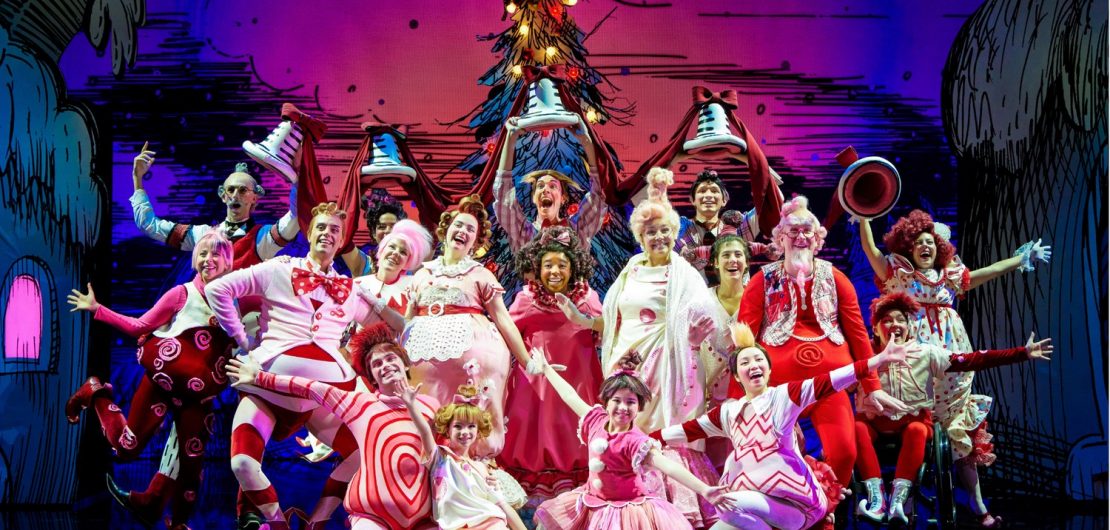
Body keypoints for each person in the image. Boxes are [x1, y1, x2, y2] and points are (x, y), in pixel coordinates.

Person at [206, 202, 404, 530]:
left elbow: (394, 327)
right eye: (321, 227)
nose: (328, 234)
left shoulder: (349, 291)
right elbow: (218, 289)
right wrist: (242, 339)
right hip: (267, 391)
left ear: (342, 241)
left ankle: (317, 522)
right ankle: (277, 523)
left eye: (335, 230)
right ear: (310, 233)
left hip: (318, 399)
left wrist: (373, 298)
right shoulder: (278, 270)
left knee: (363, 454)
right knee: (242, 463)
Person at [858, 210, 1051, 526]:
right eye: (919, 242)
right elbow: (870, 250)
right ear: (908, 247)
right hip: (911, 360)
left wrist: (1021, 258)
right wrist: (864, 215)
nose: (925, 247)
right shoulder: (898, 273)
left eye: (930, 243)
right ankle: (903, 501)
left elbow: (988, 272)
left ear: (939, 249)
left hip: (950, 357)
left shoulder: (950, 275)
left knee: (958, 429)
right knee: (913, 424)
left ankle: (977, 504)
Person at [558, 168, 726, 527]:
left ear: (674, 233)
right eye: (651, 231)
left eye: (665, 230)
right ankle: (626, 502)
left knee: (664, 433)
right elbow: (614, 318)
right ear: (640, 236)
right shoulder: (631, 268)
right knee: (627, 429)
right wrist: (583, 320)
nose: (659, 237)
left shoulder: (684, 274)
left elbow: (706, 323)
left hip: (670, 365)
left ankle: (667, 511)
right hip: (628, 364)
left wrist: (693, 342)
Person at [652, 323, 907, 530]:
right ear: (737, 375)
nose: (753, 365)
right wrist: (644, 438)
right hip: (754, 503)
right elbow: (685, 431)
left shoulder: (783, 397)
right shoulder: (729, 412)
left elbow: (829, 381)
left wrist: (878, 360)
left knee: (725, 503)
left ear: (768, 369)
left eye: (758, 360)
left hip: (796, 505)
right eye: (745, 363)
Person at [65, 231, 236, 530]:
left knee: (192, 462)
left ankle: (179, 523)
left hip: (197, 398)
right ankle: (95, 393)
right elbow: (140, 325)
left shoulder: (234, 302)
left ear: (228, 262)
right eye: (203, 253)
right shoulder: (181, 294)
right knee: (127, 448)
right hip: (162, 383)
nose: (209, 259)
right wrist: (97, 309)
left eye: (216, 254)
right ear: (195, 259)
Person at [736, 195, 908, 491]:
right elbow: (744, 344)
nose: (801, 237)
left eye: (807, 231)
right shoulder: (761, 281)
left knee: (844, 453)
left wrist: (872, 387)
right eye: (793, 231)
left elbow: (858, 335)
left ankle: (824, 509)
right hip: (776, 390)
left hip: (830, 386)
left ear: (817, 239)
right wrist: (738, 397)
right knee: (770, 456)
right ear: (780, 238)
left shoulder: (836, 278)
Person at [227, 324, 440, 530]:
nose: (385, 365)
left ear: (405, 363)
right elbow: (310, 388)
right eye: (377, 364)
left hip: (423, 518)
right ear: (372, 377)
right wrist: (259, 377)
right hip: (373, 518)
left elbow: (446, 455)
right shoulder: (359, 405)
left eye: (391, 358)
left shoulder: (432, 406)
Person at [531, 352, 733, 530]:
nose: (623, 407)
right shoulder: (595, 421)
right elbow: (570, 396)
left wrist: (704, 489)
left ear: (639, 407)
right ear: (606, 402)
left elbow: (669, 467)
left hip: (625, 512)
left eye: (630, 402)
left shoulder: (636, 441)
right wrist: (547, 369)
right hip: (591, 501)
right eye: (616, 400)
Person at [403, 195, 533, 459]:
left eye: (470, 229)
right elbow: (407, 319)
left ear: (476, 242)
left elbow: (503, 319)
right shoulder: (422, 274)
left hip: (468, 367)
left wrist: (527, 361)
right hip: (422, 362)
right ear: (446, 230)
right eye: (459, 225)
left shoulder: (479, 274)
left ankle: (473, 457)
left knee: (466, 412)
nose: (463, 231)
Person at [500, 226, 604, 498]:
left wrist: (586, 322)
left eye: (562, 265)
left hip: (579, 376)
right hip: (536, 382)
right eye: (548, 265)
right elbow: (507, 332)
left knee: (573, 422)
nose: (555, 271)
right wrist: (526, 361)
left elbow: (607, 328)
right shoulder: (526, 298)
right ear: (537, 268)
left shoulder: (588, 298)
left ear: (573, 268)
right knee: (536, 425)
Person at [395, 373, 529, 530]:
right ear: (448, 429)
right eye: (458, 426)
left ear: (478, 431)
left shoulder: (483, 468)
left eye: (471, 426)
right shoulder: (440, 457)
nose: (465, 432)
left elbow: (503, 505)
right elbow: (425, 431)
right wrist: (411, 404)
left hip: (491, 524)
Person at [130, 147, 299, 270]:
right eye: (230, 190)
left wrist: (297, 178)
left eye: (243, 190)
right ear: (223, 195)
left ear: (254, 197)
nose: (235, 195)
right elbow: (149, 225)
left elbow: (296, 216)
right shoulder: (204, 235)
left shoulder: (262, 238)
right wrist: (137, 179)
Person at [493, 116, 606, 254]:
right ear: (534, 198)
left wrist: (586, 142)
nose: (545, 189)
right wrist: (510, 138)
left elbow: (599, 193)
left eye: (553, 186)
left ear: (563, 198)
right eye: (540, 186)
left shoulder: (578, 229)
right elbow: (504, 197)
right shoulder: (524, 232)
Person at [675, 170, 767, 284]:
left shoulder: (738, 225)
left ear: (724, 200)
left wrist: (753, 161)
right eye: (702, 191)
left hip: (738, 294)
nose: (708, 195)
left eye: (714, 191)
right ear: (692, 199)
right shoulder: (679, 230)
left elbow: (772, 200)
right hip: (693, 294)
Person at [340, 190, 410, 277]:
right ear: (373, 233)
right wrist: (356, 189)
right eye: (382, 227)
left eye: (393, 226)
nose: (388, 231)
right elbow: (343, 237)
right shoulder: (362, 264)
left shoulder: (410, 264)